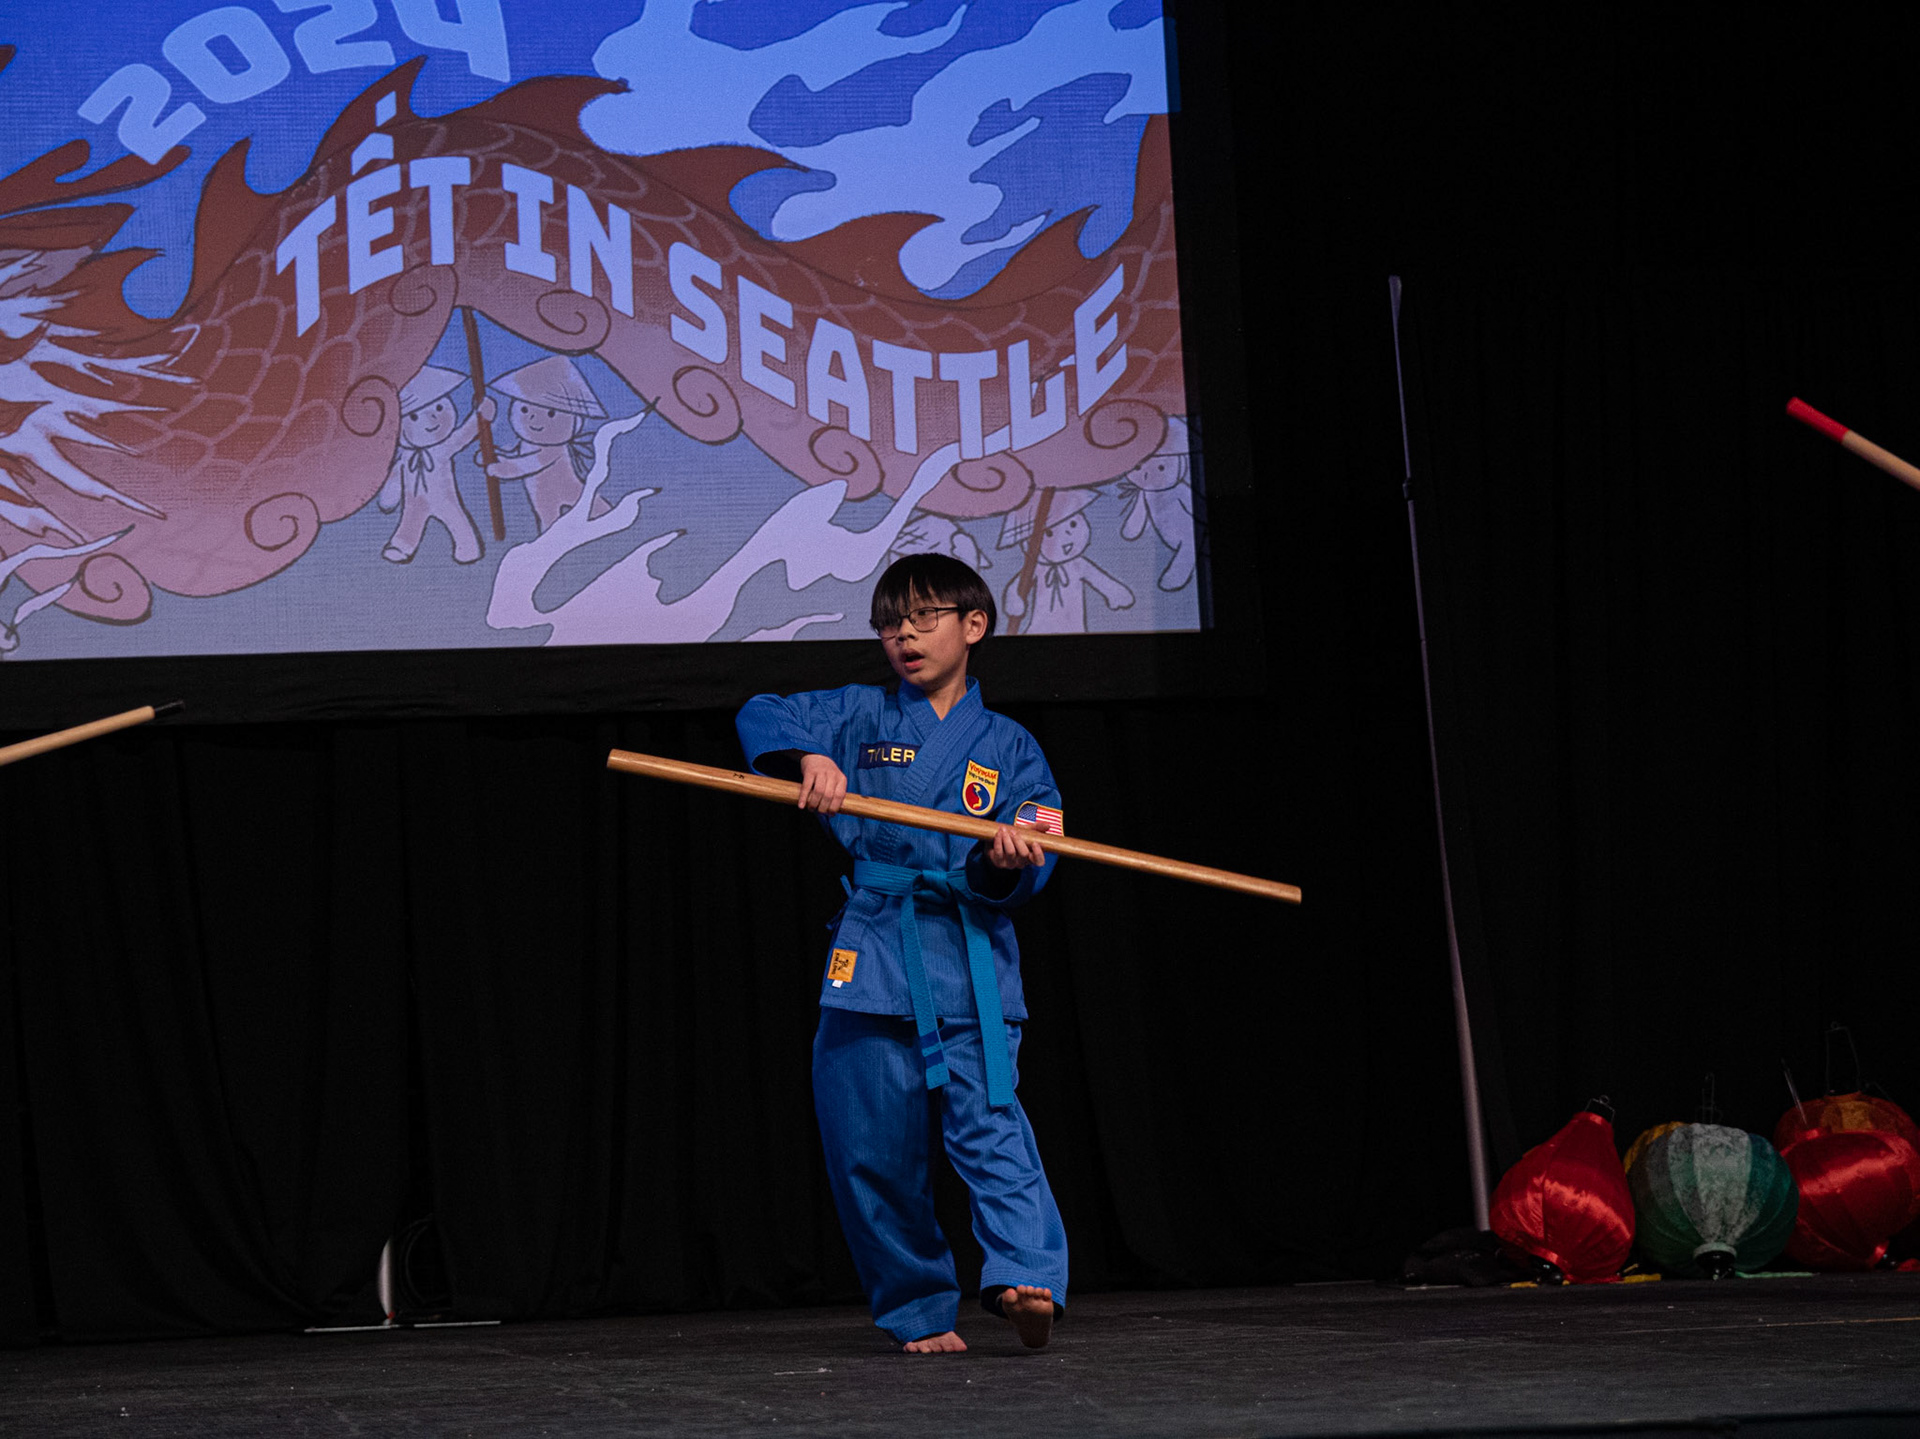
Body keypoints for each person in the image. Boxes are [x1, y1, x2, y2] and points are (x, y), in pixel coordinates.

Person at [735, 553, 1067, 1354]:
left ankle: (1025, 1277)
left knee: (993, 1128)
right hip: (876, 948)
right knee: (871, 1145)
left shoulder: (1011, 745)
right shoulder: (859, 712)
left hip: (969, 958)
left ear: (974, 625)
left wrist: (1005, 858)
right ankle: (918, 1305)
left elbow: (1039, 841)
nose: (904, 636)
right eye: (890, 624)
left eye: (923, 618)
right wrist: (809, 756)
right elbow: (764, 708)